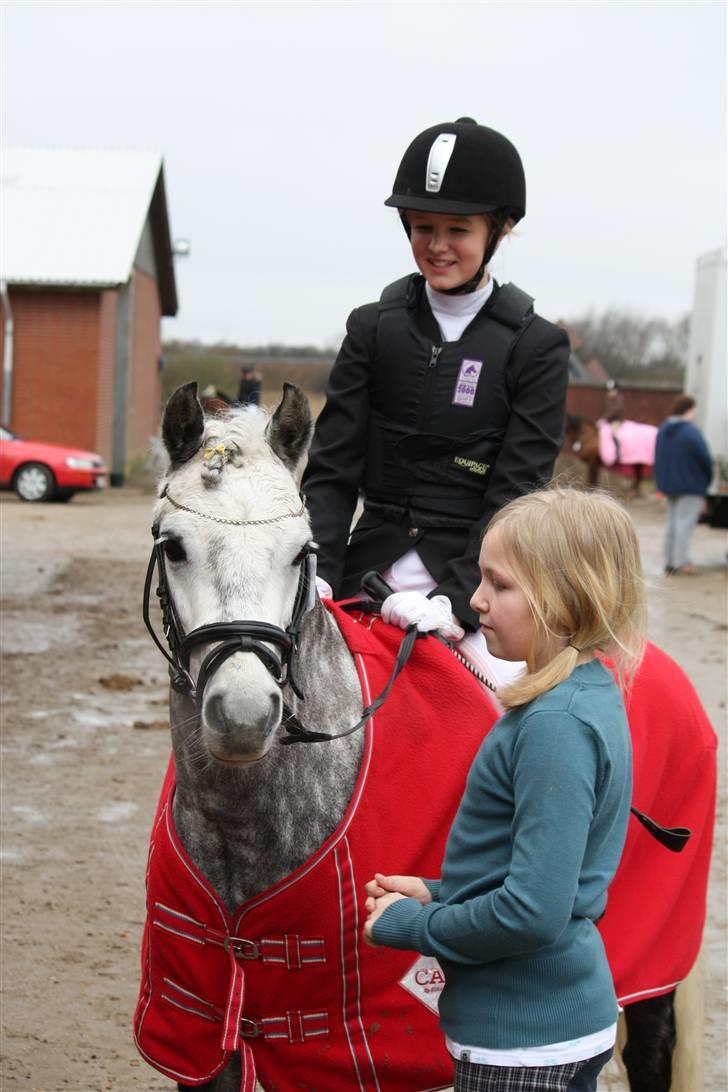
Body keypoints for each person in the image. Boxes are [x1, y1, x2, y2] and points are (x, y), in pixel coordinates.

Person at [363, 486, 647, 1092]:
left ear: (567, 597)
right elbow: (545, 878)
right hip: (544, 1029)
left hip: (524, 1046)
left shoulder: (555, 725)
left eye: (500, 584)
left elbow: (532, 913)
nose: (475, 599)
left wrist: (411, 926)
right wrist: (442, 891)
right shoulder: (581, 698)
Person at [302, 117, 570, 690]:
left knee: (511, 713)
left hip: (476, 588)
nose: (437, 245)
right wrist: (318, 572)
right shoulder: (373, 329)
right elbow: (332, 469)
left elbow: (515, 492)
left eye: (457, 229)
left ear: (499, 230)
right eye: (423, 227)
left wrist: (456, 600)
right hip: (363, 570)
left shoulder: (536, 345)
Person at [654, 394, 713, 575]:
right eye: (694, 409)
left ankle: (670, 560)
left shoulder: (664, 430)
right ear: (689, 410)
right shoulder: (691, 432)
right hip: (691, 485)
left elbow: (657, 457)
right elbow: (705, 459)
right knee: (684, 524)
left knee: (672, 523)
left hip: (669, 485)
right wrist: (707, 481)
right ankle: (682, 563)